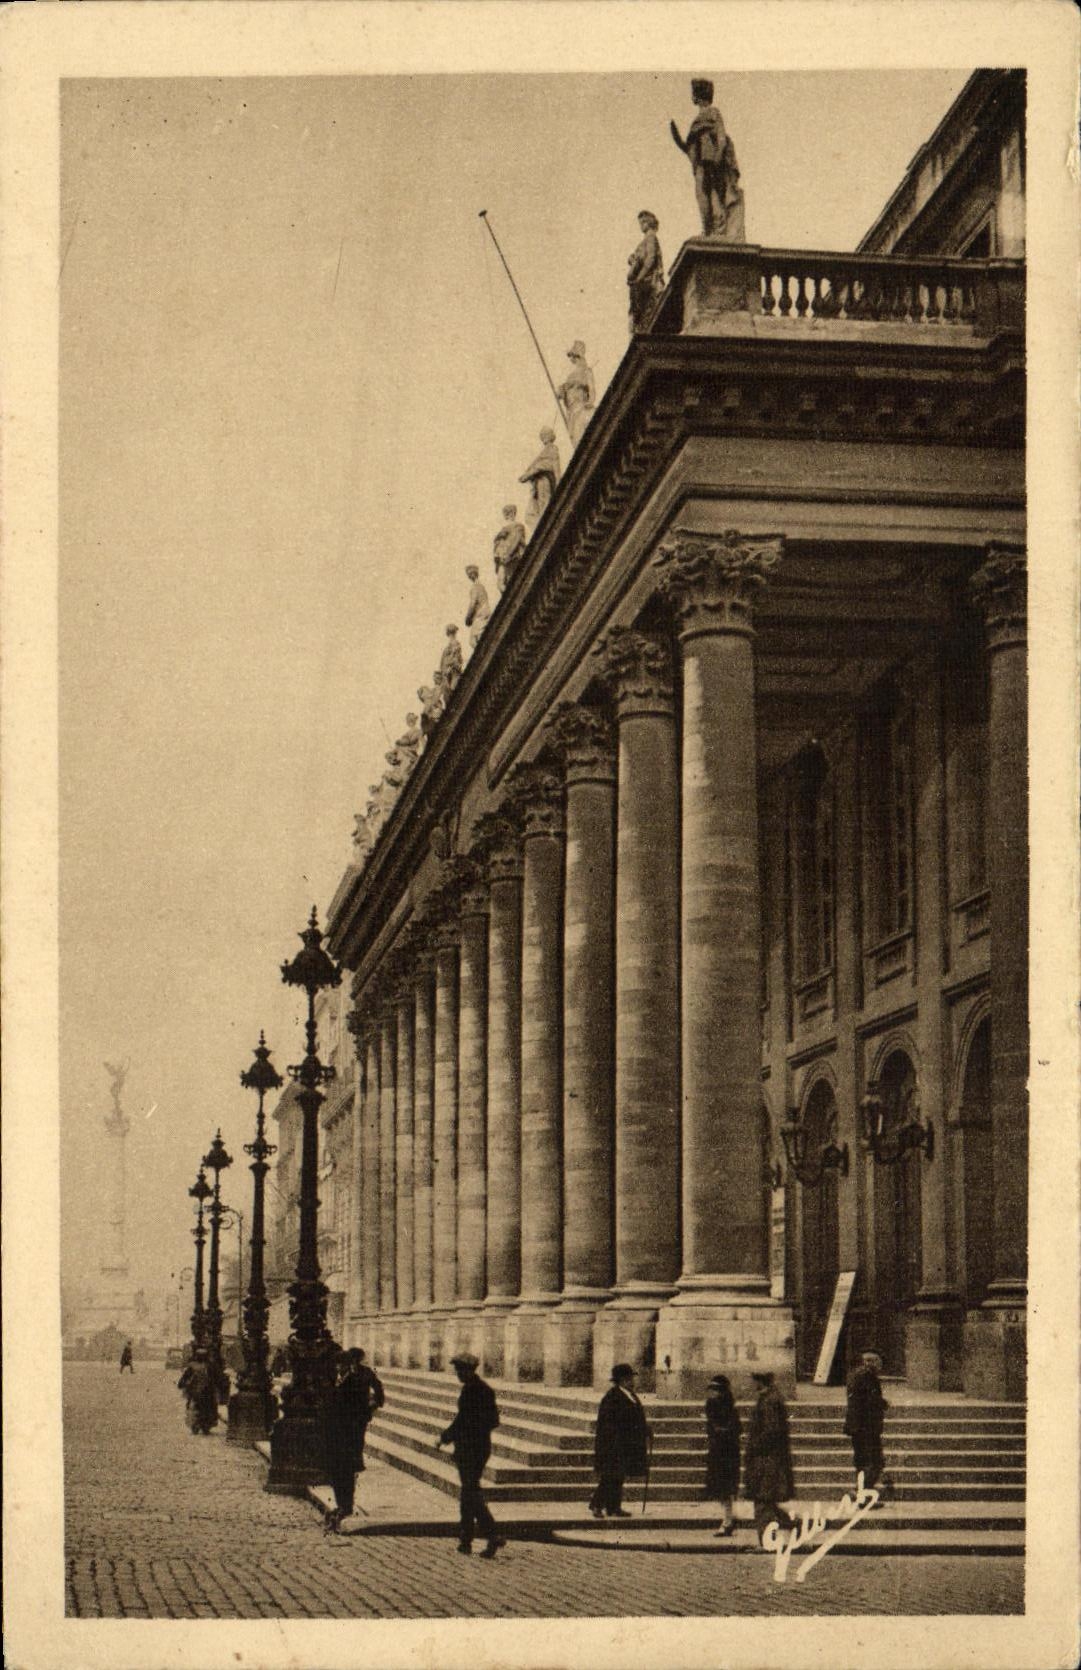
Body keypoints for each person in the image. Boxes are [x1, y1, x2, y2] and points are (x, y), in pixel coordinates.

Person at [436, 1352, 505, 1558]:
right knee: (468, 1493)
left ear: (468, 1370)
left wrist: (447, 1437)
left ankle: (491, 1534)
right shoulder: (477, 1389)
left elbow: (467, 1420)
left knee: (470, 1494)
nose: (457, 1374)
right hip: (476, 1447)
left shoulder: (476, 1391)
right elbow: (488, 1420)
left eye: (459, 1370)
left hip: (472, 1449)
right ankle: (466, 1541)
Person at [669, 78, 744, 240]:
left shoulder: (713, 112)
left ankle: (718, 229)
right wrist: (677, 139)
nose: (692, 96)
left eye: (693, 93)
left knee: (712, 193)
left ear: (699, 94)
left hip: (711, 160)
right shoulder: (699, 117)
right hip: (700, 162)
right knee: (702, 193)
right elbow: (690, 148)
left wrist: (717, 157)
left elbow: (721, 136)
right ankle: (708, 229)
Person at [322, 1348, 386, 1534]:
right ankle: (342, 1504)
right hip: (337, 1428)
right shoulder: (338, 1377)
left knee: (346, 1467)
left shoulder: (362, 1375)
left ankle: (346, 1505)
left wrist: (367, 1411)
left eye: (342, 1364)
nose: (339, 1367)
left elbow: (379, 1394)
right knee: (337, 1467)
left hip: (351, 1429)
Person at [589, 1362, 650, 1519]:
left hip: (626, 1445)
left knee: (618, 1477)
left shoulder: (630, 1395)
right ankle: (597, 1505)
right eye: (630, 1378)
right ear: (623, 1380)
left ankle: (613, 1507)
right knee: (610, 1477)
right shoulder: (612, 1397)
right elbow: (609, 1424)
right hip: (614, 1446)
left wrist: (646, 1429)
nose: (633, 1381)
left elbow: (636, 1417)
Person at [743, 1369, 795, 1545]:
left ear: (760, 1381)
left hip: (767, 1460)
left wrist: (754, 1447)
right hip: (768, 1458)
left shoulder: (770, 1401)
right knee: (767, 1502)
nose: (752, 1384)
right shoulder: (770, 1398)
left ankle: (767, 1542)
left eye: (754, 1380)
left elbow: (772, 1431)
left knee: (763, 1502)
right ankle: (795, 1525)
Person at [844, 1349, 892, 1496]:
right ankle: (862, 1492)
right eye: (878, 1362)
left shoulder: (856, 1375)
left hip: (859, 1426)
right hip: (866, 1426)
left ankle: (862, 1491)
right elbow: (869, 1400)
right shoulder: (866, 1376)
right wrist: (883, 1403)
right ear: (869, 1362)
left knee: (865, 1460)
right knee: (873, 1461)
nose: (880, 1365)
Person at [703, 1373, 741, 1536]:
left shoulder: (725, 1407)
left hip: (725, 1452)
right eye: (712, 1389)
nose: (713, 1392)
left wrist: (721, 1431)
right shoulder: (714, 1405)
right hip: (720, 1451)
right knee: (721, 1489)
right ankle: (729, 1518)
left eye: (716, 1390)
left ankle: (728, 1521)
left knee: (724, 1488)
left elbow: (736, 1428)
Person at [627, 211, 664, 332]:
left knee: (642, 316)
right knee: (638, 316)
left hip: (647, 283)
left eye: (643, 222)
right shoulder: (646, 239)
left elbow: (651, 259)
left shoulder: (651, 237)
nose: (641, 225)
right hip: (642, 283)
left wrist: (639, 277)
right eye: (640, 223)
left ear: (649, 222)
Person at [518, 428, 561, 528]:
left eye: (545, 435)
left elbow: (553, 466)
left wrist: (529, 474)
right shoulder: (546, 450)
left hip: (545, 480)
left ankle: (546, 523)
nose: (543, 438)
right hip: (538, 482)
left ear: (550, 436)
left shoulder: (552, 448)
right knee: (537, 507)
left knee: (544, 504)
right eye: (542, 436)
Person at [557, 342, 596, 446]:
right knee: (574, 435)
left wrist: (590, 401)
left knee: (580, 434)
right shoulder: (571, 375)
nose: (571, 359)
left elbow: (592, 388)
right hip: (571, 410)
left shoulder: (586, 371)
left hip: (580, 406)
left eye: (573, 356)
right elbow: (563, 392)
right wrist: (561, 391)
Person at [177, 1350, 219, 1435]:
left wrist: (181, 1384)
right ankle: (204, 1425)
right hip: (205, 1393)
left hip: (198, 1393)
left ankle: (199, 1425)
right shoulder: (209, 1365)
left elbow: (185, 1377)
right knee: (208, 1408)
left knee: (195, 1408)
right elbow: (216, 1378)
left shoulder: (195, 1366)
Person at [492, 506, 527, 594]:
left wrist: (509, 554)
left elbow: (517, 540)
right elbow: (497, 545)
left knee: (516, 579)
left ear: (513, 513)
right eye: (506, 514)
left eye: (509, 513)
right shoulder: (503, 530)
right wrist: (498, 555)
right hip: (504, 559)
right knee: (500, 584)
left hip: (514, 557)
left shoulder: (518, 526)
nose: (507, 515)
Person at [464, 566, 491, 648]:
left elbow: (473, 604)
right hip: (485, 611)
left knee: (473, 640)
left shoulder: (475, 587)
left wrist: (468, 618)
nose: (469, 576)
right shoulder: (481, 586)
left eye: (470, 574)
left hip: (480, 614)